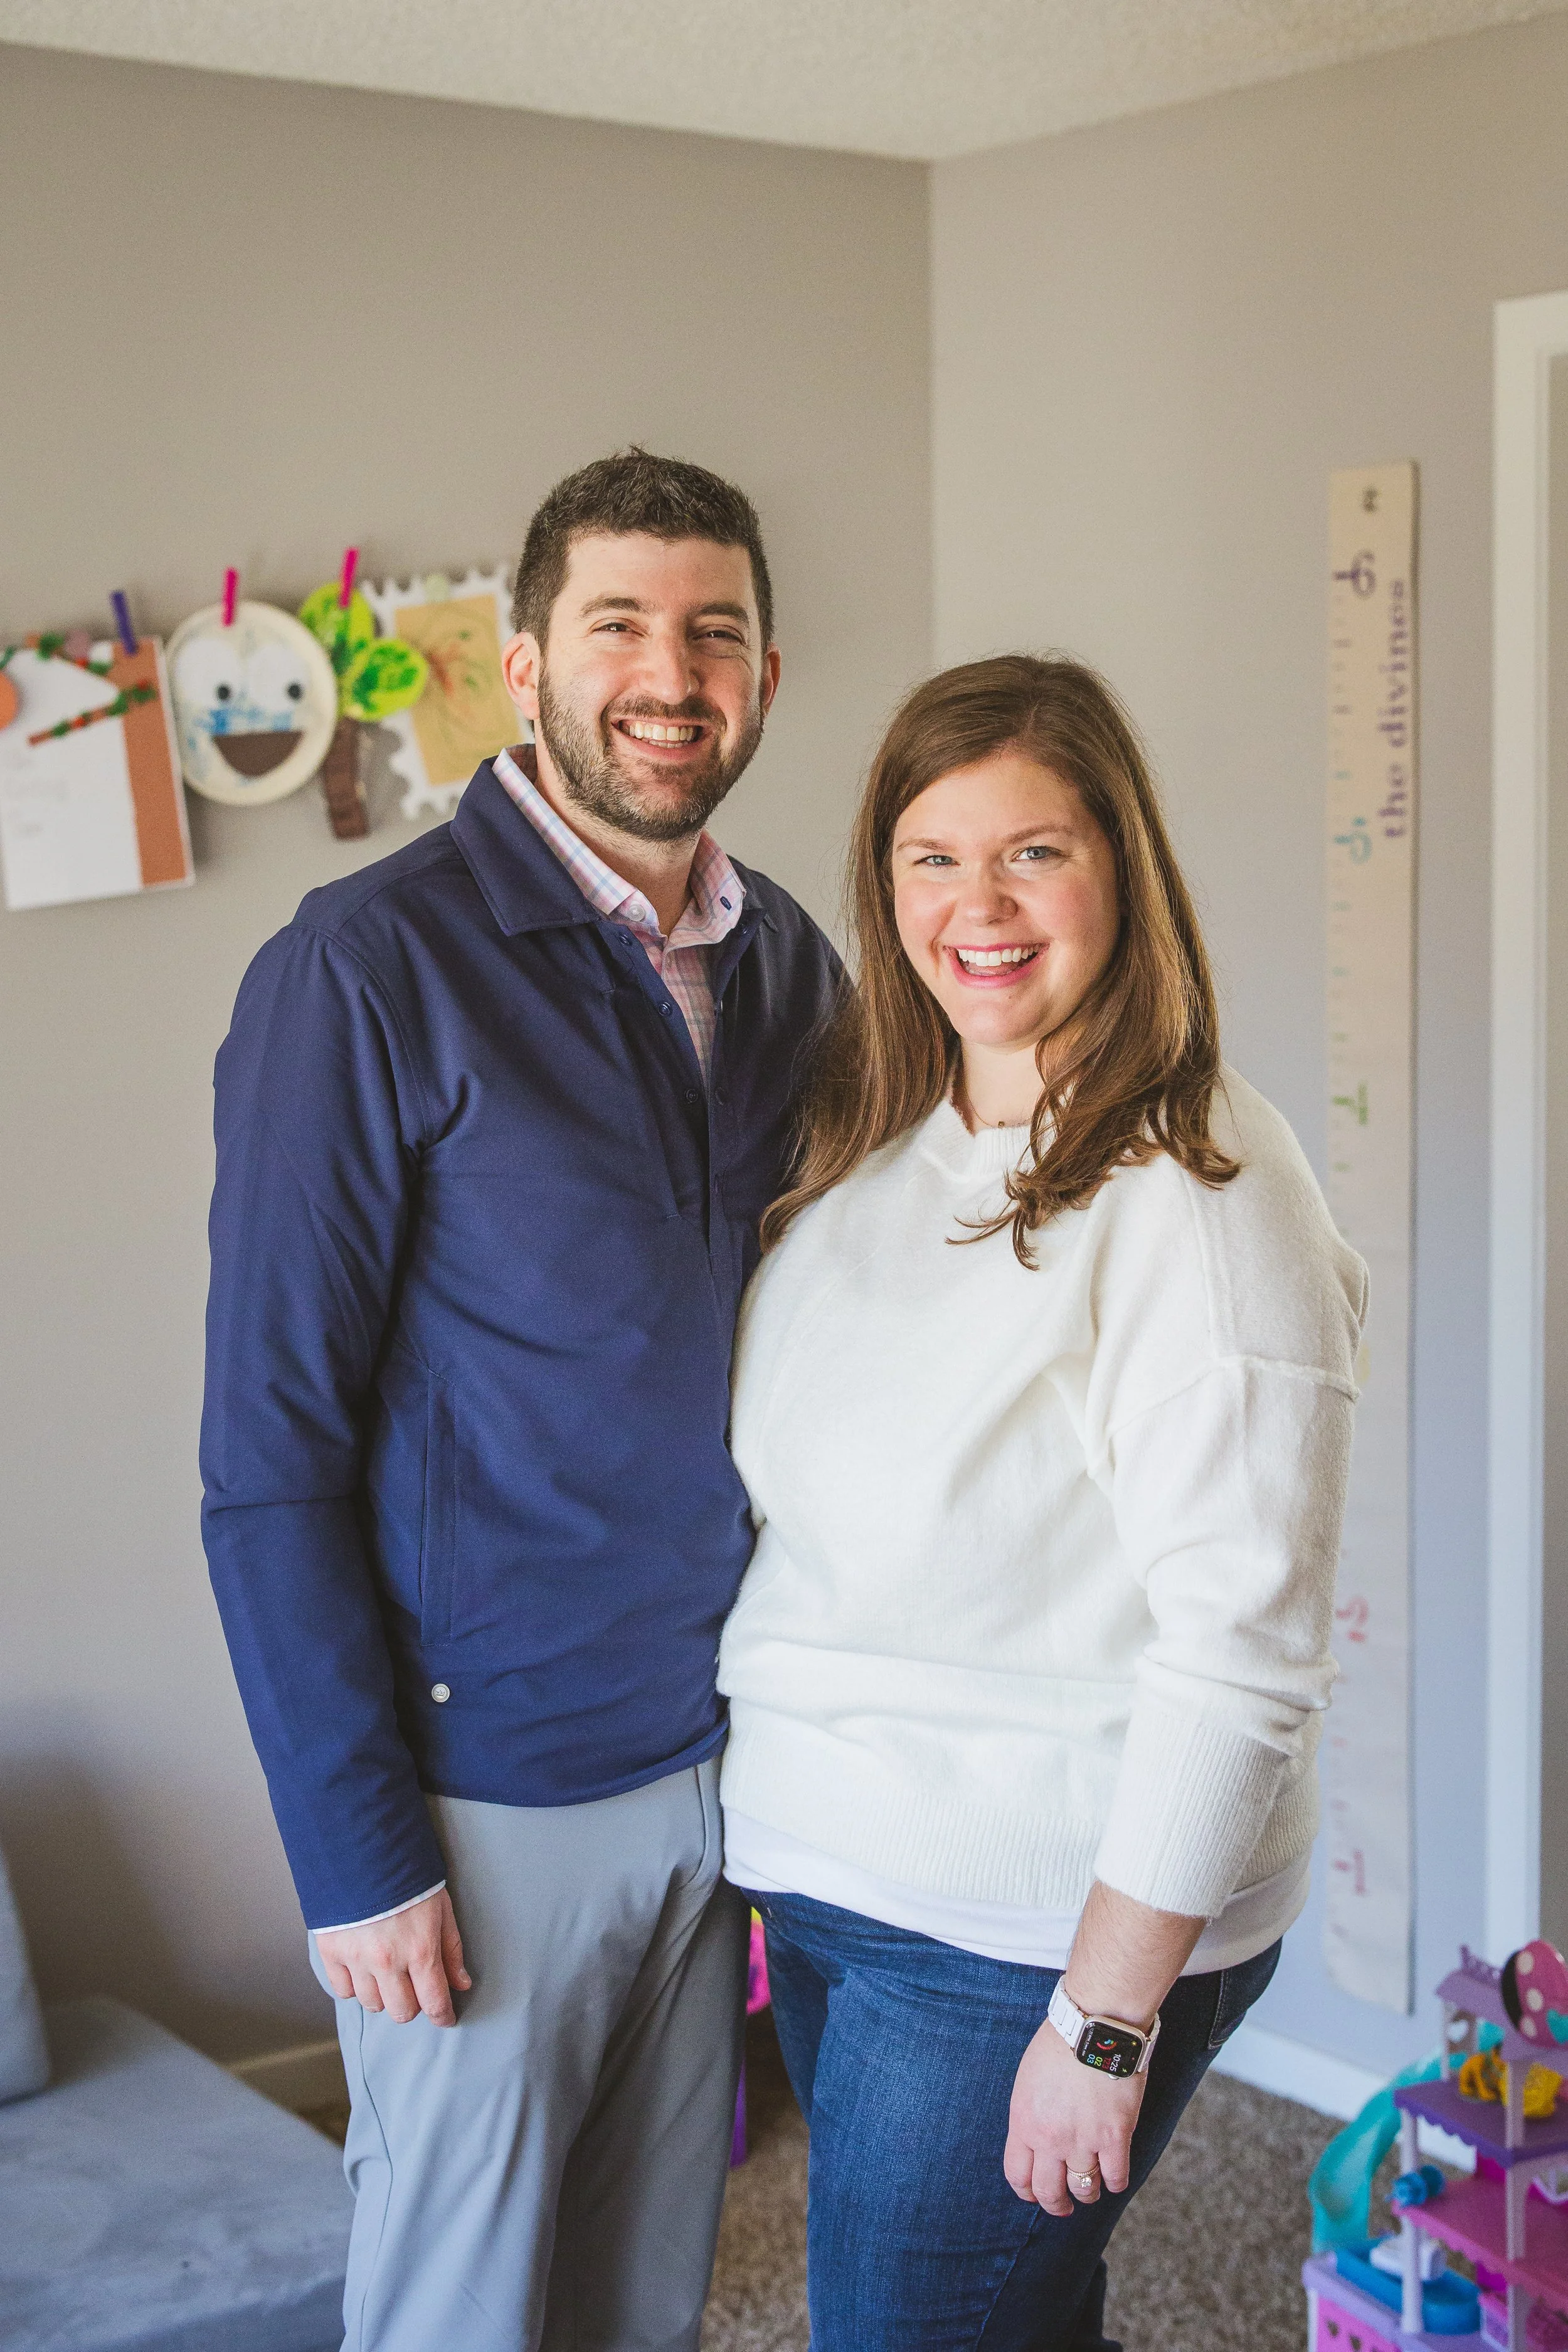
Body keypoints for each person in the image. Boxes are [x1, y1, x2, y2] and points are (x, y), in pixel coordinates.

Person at [201, 450, 841, 2352]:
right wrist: (357, 1850)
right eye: (621, 624)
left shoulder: (792, 961)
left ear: (766, 677)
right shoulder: (367, 968)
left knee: (646, 2291)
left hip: (713, 1764)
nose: (670, 671)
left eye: (712, 630)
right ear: (523, 659)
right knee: (465, 2311)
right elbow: (268, 1462)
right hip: (478, 1804)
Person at [716, 654, 1366, 2352]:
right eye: (932, 857)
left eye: (1033, 853)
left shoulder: (1195, 1187)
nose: (977, 907)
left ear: (1120, 869)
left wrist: (1098, 2020)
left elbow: (1245, 1653)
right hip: (837, 1881)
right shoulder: (869, 1134)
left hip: (1026, 1926)